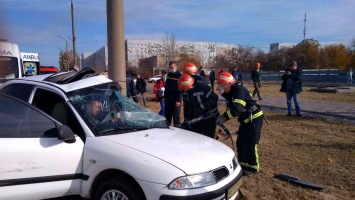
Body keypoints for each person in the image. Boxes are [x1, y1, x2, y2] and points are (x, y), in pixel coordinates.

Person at [215, 71, 264, 175]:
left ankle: (252, 167)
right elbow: (231, 109)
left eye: (222, 85)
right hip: (245, 119)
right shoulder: (229, 94)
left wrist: (223, 117)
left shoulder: (239, 90)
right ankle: (242, 165)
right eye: (219, 85)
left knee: (251, 142)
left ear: (228, 84)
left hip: (254, 118)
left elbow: (237, 108)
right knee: (240, 142)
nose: (220, 88)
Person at [178, 74, 219, 138]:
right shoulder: (185, 91)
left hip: (209, 116)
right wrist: (186, 119)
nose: (184, 91)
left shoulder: (203, 86)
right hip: (197, 117)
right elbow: (187, 106)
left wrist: (202, 107)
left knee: (206, 137)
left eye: (185, 89)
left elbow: (214, 99)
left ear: (190, 86)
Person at [164, 61, 182, 127]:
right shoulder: (169, 75)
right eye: (170, 68)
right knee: (167, 116)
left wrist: (178, 100)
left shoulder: (179, 76)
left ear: (176, 67)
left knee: (176, 117)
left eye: (172, 67)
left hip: (176, 100)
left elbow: (180, 89)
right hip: (168, 99)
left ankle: (177, 130)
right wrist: (165, 96)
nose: (171, 69)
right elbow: (166, 86)